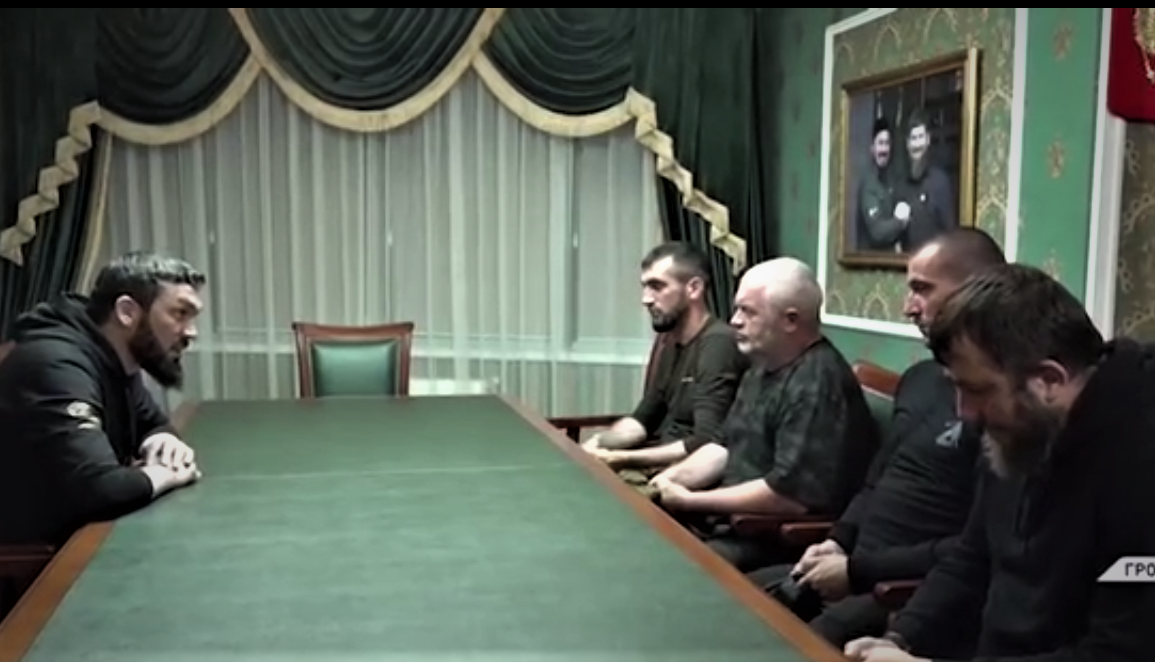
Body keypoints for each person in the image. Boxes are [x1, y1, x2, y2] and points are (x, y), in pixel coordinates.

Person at [845, 264, 1155, 662]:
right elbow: (972, 558)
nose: (964, 413)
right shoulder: (1020, 432)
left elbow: (1120, 653)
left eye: (977, 391)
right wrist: (900, 637)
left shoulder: (1139, 465)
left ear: (1049, 380)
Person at [749, 228, 1005, 652]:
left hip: (901, 588)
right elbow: (876, 482)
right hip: (847, 564)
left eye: (922, 289)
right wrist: (837, 540)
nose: (908, 307)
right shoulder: (920, 379)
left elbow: (974, 548)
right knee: (724, 601)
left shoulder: (1000, 405)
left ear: (973, 291)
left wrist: (859, 570)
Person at [648, 257, 879, 571]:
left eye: (748, 311)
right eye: (737, 309)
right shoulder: (762, 365)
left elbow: (789, 497)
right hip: (726, 520)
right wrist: (667, 481)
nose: (734, 321)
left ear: (790, 320)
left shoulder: (818, 383)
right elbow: (723, 447)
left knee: (662, 567)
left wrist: (691, 501)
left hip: (771, 537)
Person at [0, 251, 206, 546]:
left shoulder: (114, 353)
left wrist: (162, 440)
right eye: (179, 313)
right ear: (127, 312)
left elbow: (151, 422)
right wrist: (167, 474)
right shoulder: (57, 364)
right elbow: (100, 489)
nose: (191, 332)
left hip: (78, 532)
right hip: (35, 553)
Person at [583, 242, 746, 485]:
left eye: (657, 287)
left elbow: (706, 440)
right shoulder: (669, 341)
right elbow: (643, 419)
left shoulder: (718, 343)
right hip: (656, 467)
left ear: (694, 289)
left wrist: (623, 459)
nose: (646, 299)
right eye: (645, 287)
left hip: (687, 480)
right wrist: (596, 443)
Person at [892, 108, 955, 253]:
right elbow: (896, 238)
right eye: (913, 138)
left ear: (928, 140)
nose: (916, 144)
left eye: (920, 137)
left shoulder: (940, 182)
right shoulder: (900, 186)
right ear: (907, 144)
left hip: (934, 263)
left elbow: (949, 234)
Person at [856, 117, 903, 251]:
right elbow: (876, 232)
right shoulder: (868, 183)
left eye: (887, 143)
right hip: (868, 262)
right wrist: (900, 222)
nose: (884, 149)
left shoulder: (891, 180)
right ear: (872, 148)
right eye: (880, 143)